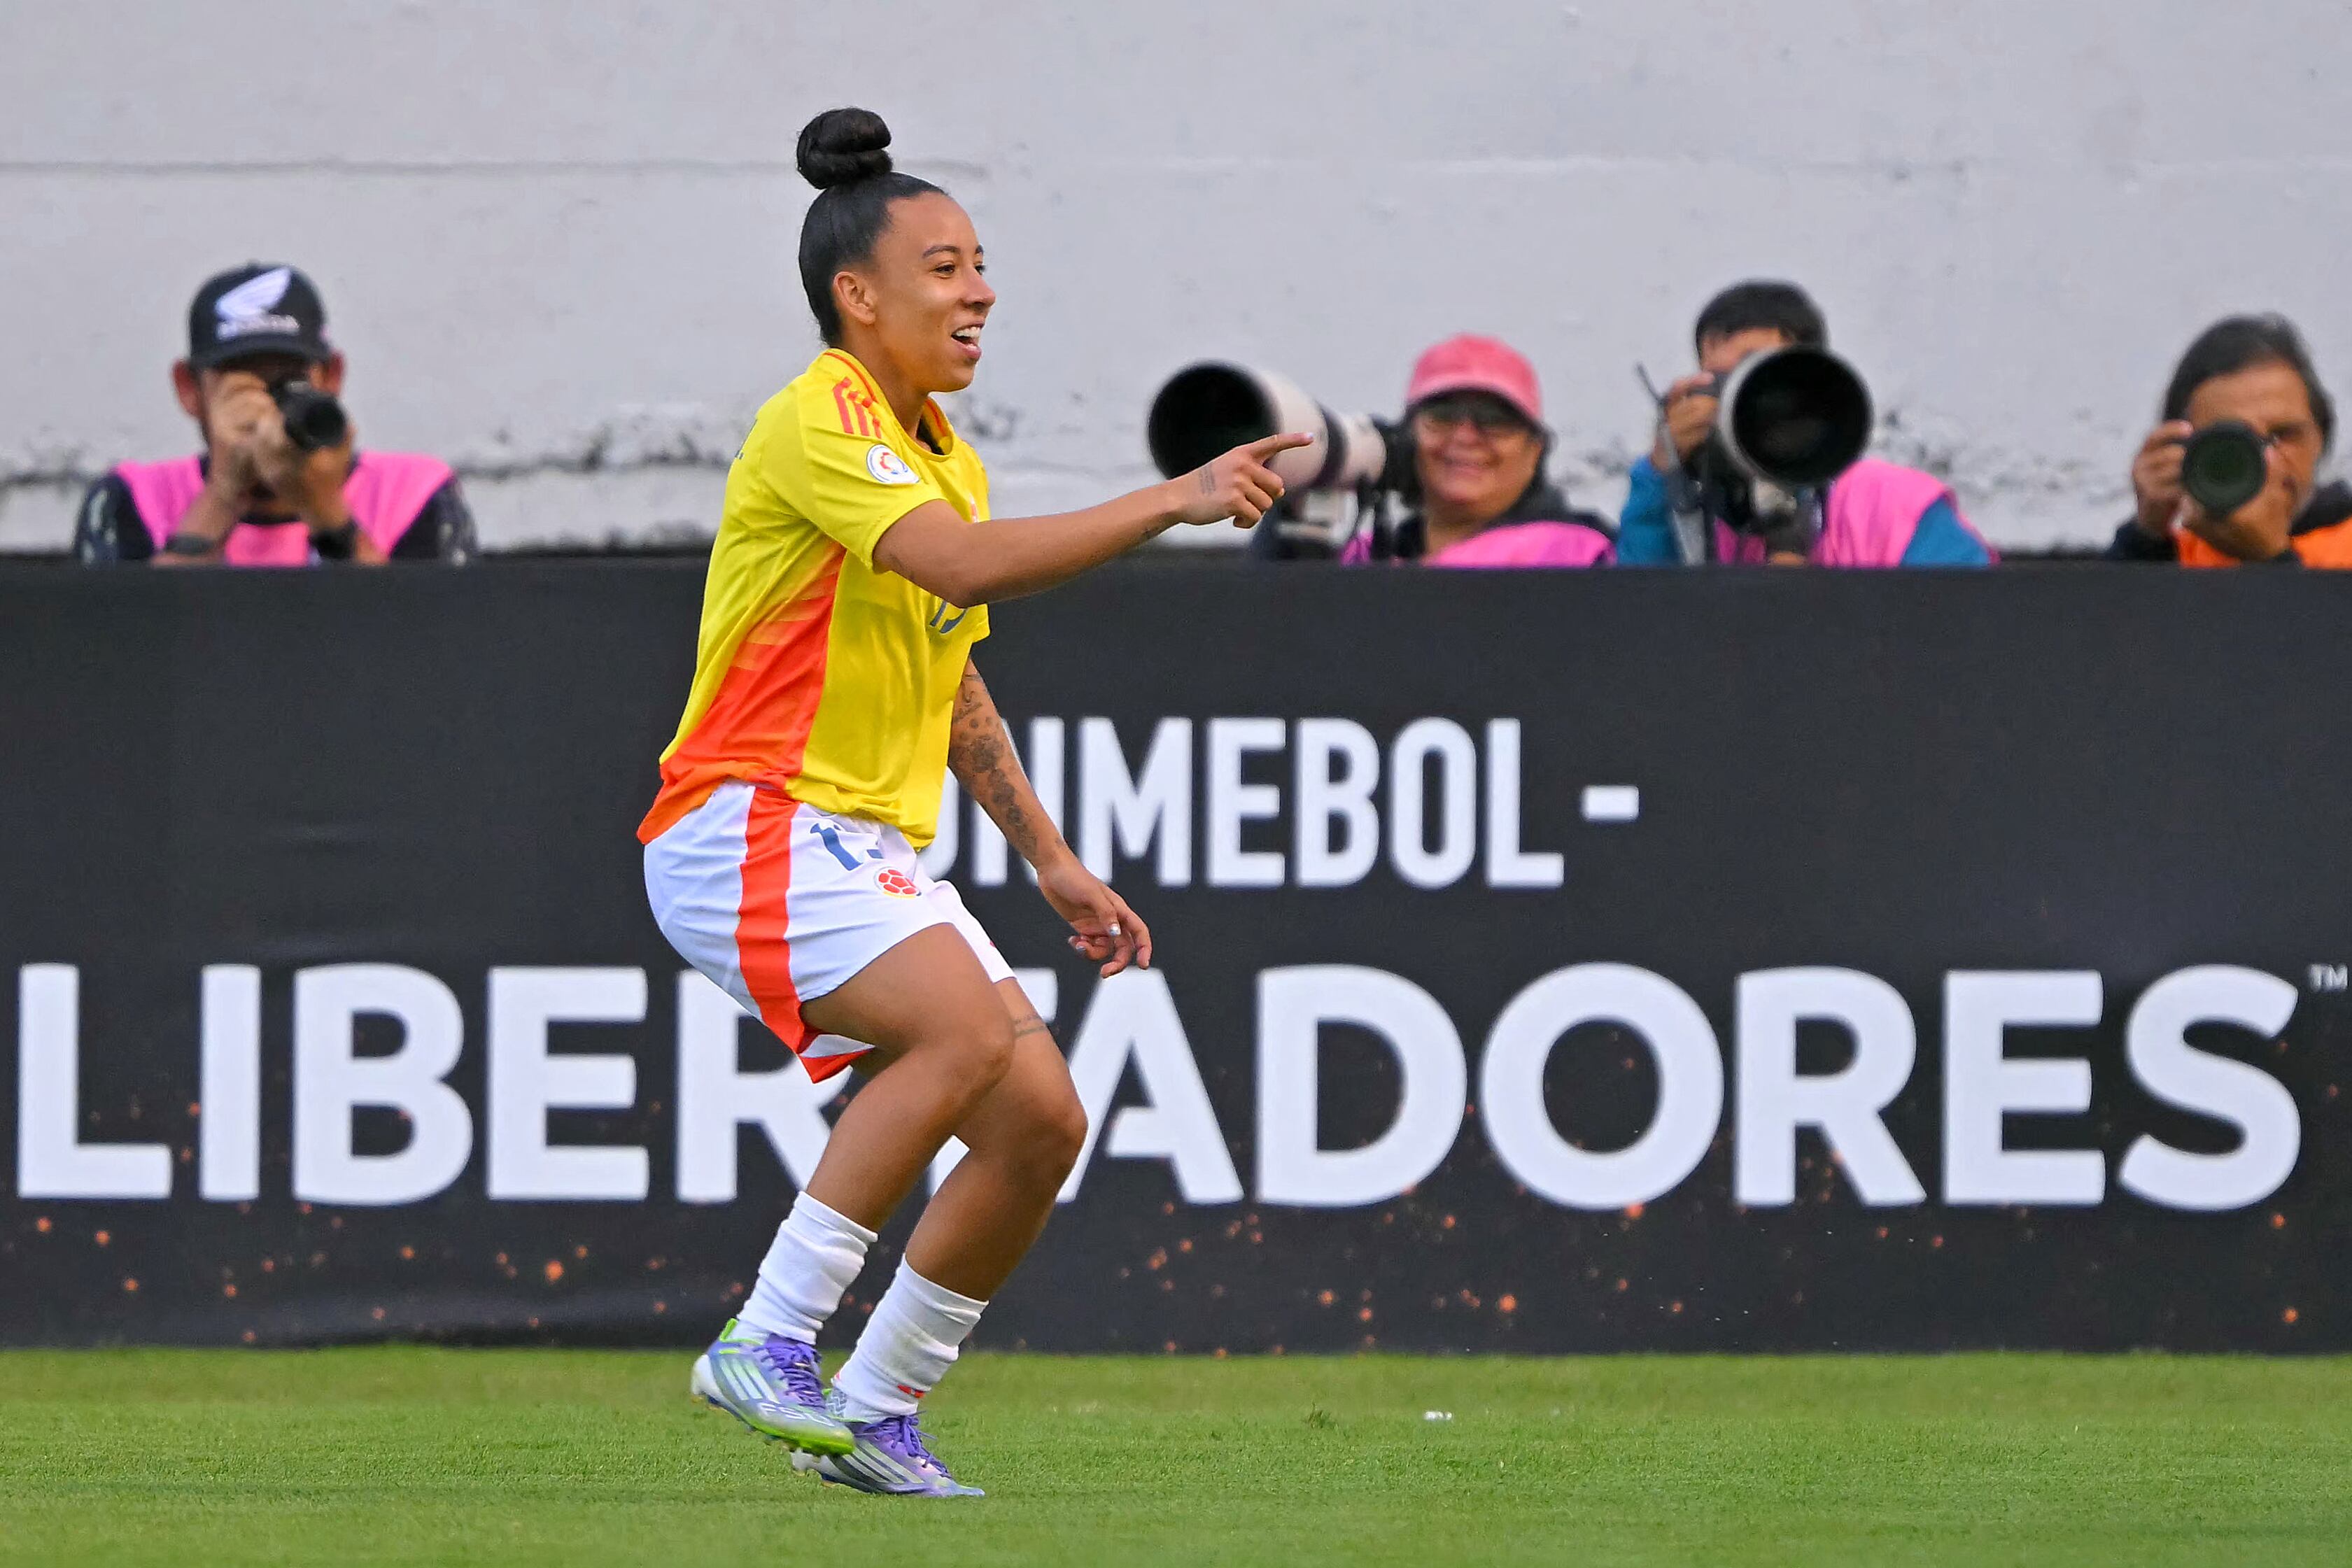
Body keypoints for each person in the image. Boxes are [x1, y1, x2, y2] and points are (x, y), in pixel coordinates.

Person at [640, 107, 1302, 1497]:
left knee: (1039, 1115)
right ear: (857, 296)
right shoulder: (823, 412)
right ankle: (766, 1337)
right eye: (944, 266)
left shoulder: (937, 447)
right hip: (746, 816)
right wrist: (1170, 498)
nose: (979, 288)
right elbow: (972, 565)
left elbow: (957, 679)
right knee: (953, 1033)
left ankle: (878, 1407)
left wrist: (1051, 859)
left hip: (855, 837)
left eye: (981, 262)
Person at [73, 263, 474, 566]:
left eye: (290, 382)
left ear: (332, 377)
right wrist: (222, 496)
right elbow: (125, 656)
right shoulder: (135, 500)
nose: (268, 408)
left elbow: (429, 652)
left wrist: (322, 507)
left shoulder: (411, 496)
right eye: (242, 385)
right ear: (190, 389)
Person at [1618, 280, 1992, 567]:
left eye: (1760, 379)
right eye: (1719, 386)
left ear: (1817, 387)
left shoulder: (1887, 508)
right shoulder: (1690, 518)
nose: (1742, 407)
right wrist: (1660, 474)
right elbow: (1643, 625)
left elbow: (1970, 624)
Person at [1335, 334, 1613, 567]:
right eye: (1443, 415)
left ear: (1534, 451)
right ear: (1408, 438)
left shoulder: (1583, 557)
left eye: (1495, 420)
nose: (1465, 436)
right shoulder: (1363, 558)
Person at [2106, 314, 2352, 567]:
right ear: (2183, 450)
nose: (2266, 460)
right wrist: (2145, 539)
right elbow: (2109, 606)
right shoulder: (2171, 555)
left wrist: (2270, 557)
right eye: (2234, 439)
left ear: (2321, 438)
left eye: (2283, 435)